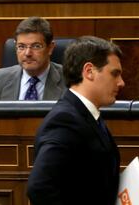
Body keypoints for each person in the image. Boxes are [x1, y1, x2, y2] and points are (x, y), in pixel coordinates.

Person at [27, 36, 125, 205]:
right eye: (114, 74)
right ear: (89, 71)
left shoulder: (86, 114)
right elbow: (40, 188)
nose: (121, 83)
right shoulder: (64, 120)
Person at [0, 16, 66, 100]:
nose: (27, 53)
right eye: (21, 46)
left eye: (36, 46)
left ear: (50, 48)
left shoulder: (71, 81)